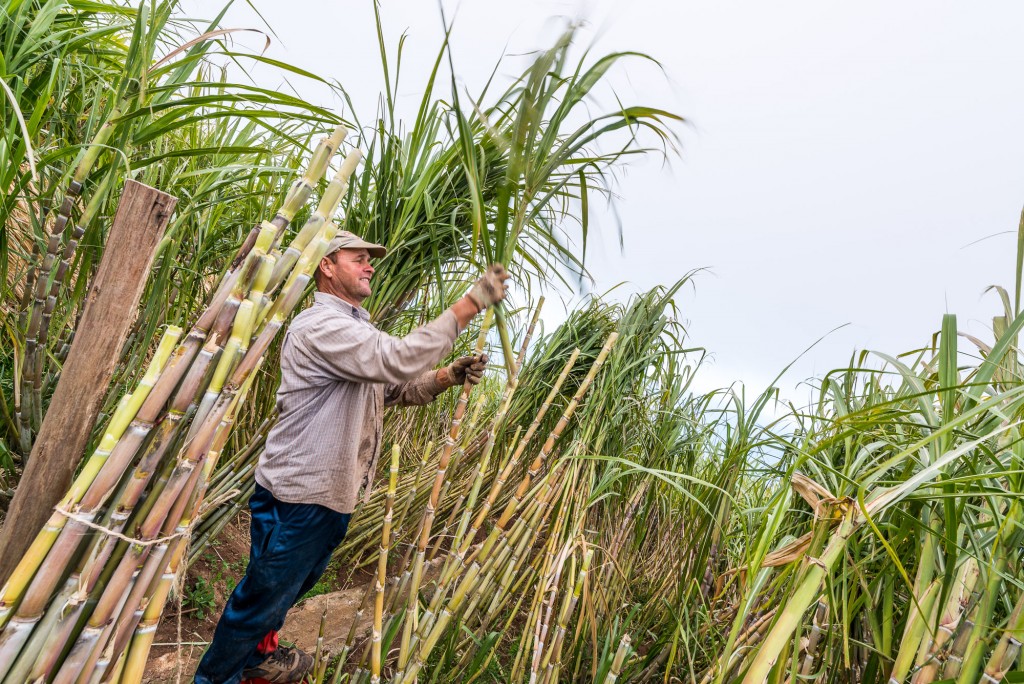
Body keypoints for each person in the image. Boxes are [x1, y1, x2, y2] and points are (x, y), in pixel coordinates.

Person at [193, 230, 509, 684]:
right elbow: (397, 360)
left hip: (324, 493)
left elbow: (395, 388)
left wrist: (446, 374)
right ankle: (215, 679)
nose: (370, 266)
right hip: (303, 493)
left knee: (281, 590)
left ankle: (256, 660)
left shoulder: (357, 329)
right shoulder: (320, 326)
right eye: (358, 258)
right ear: (327, 265)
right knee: (260, 598)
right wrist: (469, 304)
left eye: (370, 259)